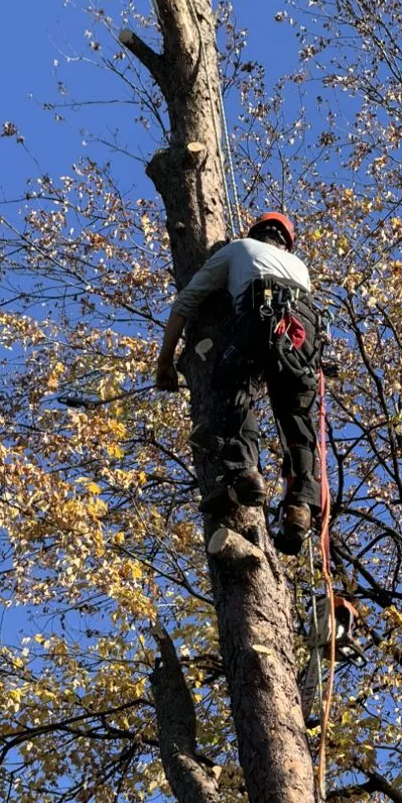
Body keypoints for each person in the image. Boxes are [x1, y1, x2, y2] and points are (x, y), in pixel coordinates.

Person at [155, 212, 323, 554]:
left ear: (256, 231)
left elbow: (186, 301)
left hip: (259, 320)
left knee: (233, 389)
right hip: (303, 339)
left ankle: (245, 473)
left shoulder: (238, 249)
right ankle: (300, 508)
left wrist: (165, 360)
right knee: (297, 421)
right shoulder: (300, 267)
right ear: (286, 241)